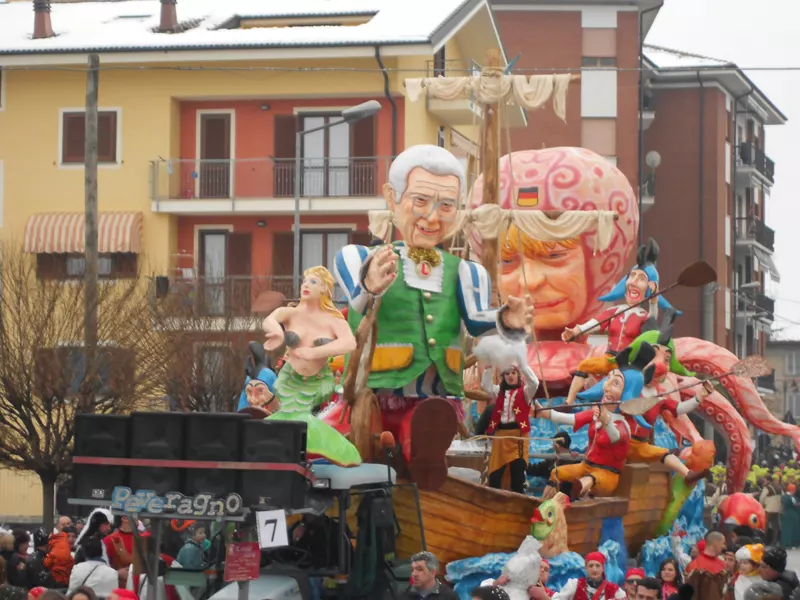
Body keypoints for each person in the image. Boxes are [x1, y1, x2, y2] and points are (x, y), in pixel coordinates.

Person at [329, 145, 531, 490]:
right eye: (420, 201)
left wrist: (505, 321)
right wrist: (372, 284)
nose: (433, 216)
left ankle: (421, 455)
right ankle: (406, 456)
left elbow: (477, 320)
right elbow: (359, 298)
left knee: (422, 432)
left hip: (435, 395)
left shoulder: (468, 272)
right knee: (360, 441)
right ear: (392, 198)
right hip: (374, 393)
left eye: (446, 205)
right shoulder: (360, 256)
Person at [262, 266, 362, 467]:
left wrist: (315, 352)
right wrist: (279, 334)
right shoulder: (290, 313)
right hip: (290, 379)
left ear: (325, 288)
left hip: (317, 380)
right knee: (287, 417)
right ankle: (273, 449)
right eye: (305, 281)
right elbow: (270, 319)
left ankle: (330, 450)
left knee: (304, 421)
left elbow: (349, 343)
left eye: (313, 282)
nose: (306, 285)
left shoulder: (333, 319)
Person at [562, 238, 675, 403]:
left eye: (641, 279)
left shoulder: (643, 316)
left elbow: (652, 328)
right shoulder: (613, 311)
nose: (634, 282)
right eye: (632, 277)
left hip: (627, 365)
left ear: (650, 287)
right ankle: (569, 402)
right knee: (584, 365)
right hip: (609, 359)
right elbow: (595, 323)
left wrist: (653, 301)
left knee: (618, 384)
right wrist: (577, 331)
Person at [536, 353, 655, 499]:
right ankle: (543, 506)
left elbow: (615, 437)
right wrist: (544, 414)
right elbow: (571, 418)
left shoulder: (622, 424)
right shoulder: (595, 413)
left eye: (616, 383)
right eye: (608, 378)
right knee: (557, 473)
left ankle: (577, 498)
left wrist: (606, 421)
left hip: (606, 474)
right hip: (585, 466)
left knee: (590, 480)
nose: (607, 386)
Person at [481, 361, 539, 493]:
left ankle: (518, 507)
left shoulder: (525, 392)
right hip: (501, 437)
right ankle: (494, 505)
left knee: (517, 476)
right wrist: (490, 365)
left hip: (518, 437)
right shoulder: (499, 392)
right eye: (507, 373)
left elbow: (535, 383)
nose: (510, 376)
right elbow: (485, 385)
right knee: (495, 476)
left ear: (519, 375)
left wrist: (522, 364)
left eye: (513, 372)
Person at [552, 551, 626, 600]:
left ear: (603, 568)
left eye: (597, 566)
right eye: (591, 566)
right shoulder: (574, 585)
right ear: (586, 568)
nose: (594, 569)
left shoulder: (614, 590)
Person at [685, 531, 728, 600]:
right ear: (715, 544)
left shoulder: (722, 564)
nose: (724, 547)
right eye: (723, 543)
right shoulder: (695, 565)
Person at [44, 520, 75, 588]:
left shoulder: (80, 553)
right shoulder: (54, 551)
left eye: (73, 536)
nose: (71, 539)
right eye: (68, 536)